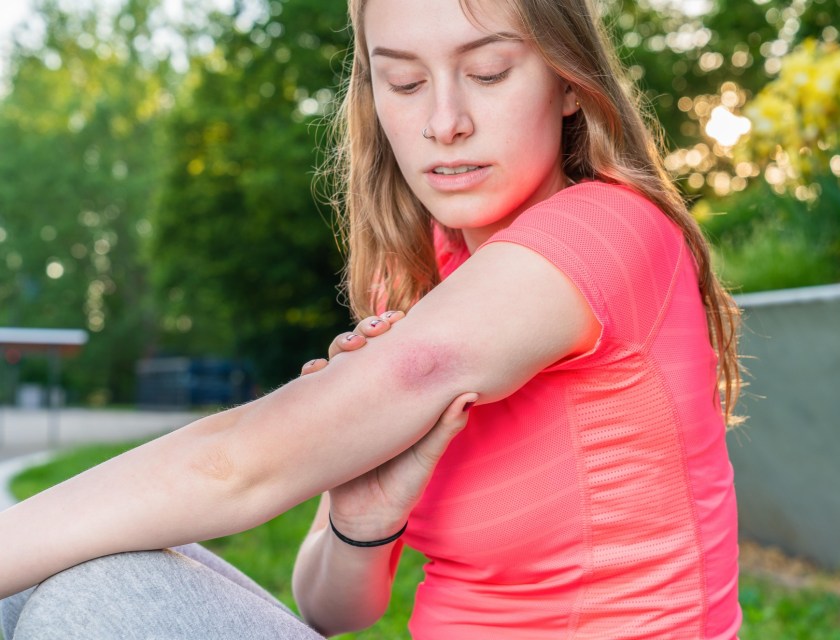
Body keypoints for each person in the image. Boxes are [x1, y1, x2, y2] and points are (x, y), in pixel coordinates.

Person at [0, 0, 743, 637]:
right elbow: (329, 606)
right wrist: (366, 510)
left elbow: (237, 465)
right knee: (71, 562)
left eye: (488, 72)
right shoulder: (421, 279)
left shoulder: (608, 231)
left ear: (568, 81)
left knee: (92, 599)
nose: (444, 121)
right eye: (405, 81)